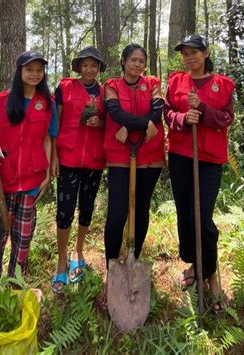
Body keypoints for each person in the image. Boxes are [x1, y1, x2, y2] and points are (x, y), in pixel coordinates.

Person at [164, 34, 234, 311]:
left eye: (194, 52)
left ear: (205, 53)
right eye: (185, 53)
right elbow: (167, 112)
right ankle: (195, 265)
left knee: (202, 217)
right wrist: (182, 118)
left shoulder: (222, 85)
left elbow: (227, 118)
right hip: (181, 155)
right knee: (185, 214)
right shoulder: (175, 81)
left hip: (209, 158)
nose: (189, 58)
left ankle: (211, 275)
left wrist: (203, 109)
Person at [0, 51, 57, 280]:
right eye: (29, 69)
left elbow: (48, 139)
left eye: (39, 70)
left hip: (31, 183)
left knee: (22, 244)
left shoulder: (48, 103)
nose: (34, 74)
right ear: (19, 71)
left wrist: (46, 175)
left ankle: (15, 288)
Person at [50, 47, 107, 292]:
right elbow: (55, 123)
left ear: (98, 69)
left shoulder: (106, 93)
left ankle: (78, 251)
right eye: (85, 65)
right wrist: (53, 157)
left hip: (94, 160)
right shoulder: (65, 88)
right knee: (64, 212)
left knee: (86, 209)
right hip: (67, 158)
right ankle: (61, 260)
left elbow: (111, 123)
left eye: (93, 65)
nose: (89, 69)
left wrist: (100, 122)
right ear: (78, 67)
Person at [103, 43, 165, 270]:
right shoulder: (112, 85)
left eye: (141, 61)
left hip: (149, 154)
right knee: (117, 213)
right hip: (120, 155)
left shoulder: (153, 84)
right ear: (123, 61)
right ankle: (111, 263)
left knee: (140, 210)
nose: (137, 64)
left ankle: (134, 259)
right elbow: (115, 112)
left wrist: (130, 127)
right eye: (133, 60)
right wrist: (144, 124)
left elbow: (157, 113)